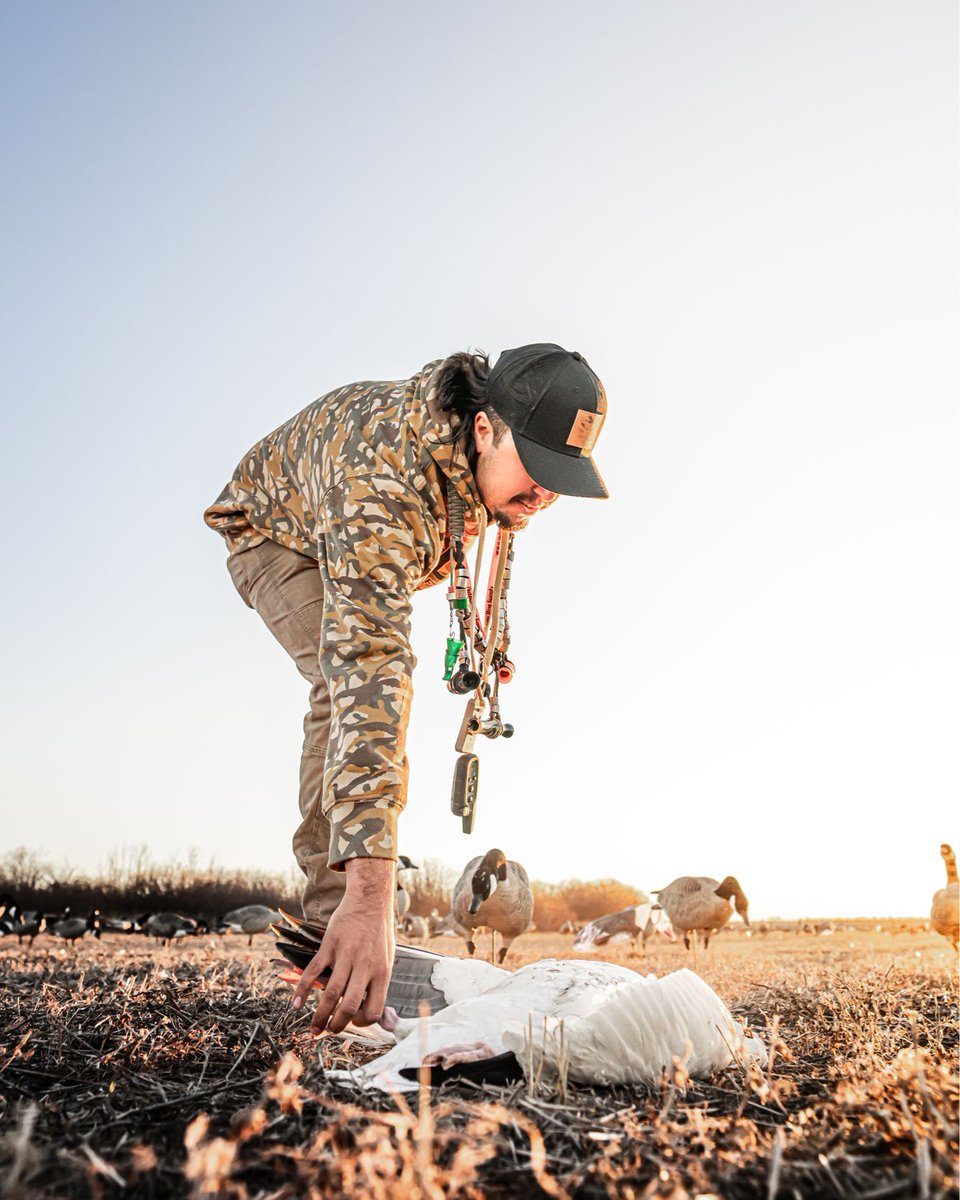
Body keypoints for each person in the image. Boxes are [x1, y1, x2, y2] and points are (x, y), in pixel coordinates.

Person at [204, 343, 608, 1033]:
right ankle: (341, 937)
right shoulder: (382, 483)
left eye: (559, 476)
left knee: (376, 679)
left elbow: (493, 527)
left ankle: (354, 928)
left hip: (365, 522)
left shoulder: (486, 464)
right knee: (347, 688)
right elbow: (369, 669)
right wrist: (371, 891)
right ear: (484, 430)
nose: (544, 494)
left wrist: (487, 634)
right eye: (537, 469)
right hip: (276, 535)